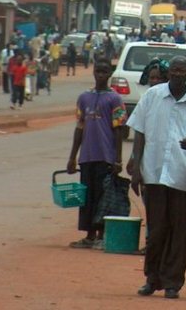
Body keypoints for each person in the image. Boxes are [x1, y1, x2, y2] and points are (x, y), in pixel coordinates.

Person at [127, 56, 186, 299]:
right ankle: (152, 278)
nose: (177, 74)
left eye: (181, 71)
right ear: (169, 73)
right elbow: (139, 132)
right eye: (173, 70)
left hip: (181, 175)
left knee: (179, 231)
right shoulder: (152, 96)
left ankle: (173, 282)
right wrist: (136, 166)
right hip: (152, 173)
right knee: (156, 231)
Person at [66, 60, 127, 249]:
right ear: (93, 72)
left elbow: (119, 131)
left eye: (104, 71)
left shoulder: (115, 99)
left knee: (104, 197)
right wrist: (72, 156)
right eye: (98, 71)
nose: (100, 75)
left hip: (105, 156)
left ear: (110, 74)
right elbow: (79, 128)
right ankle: (89, 235)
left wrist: (118, 158)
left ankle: (102, 234)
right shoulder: (84, 98)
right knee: (87, 196)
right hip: (87, 157)